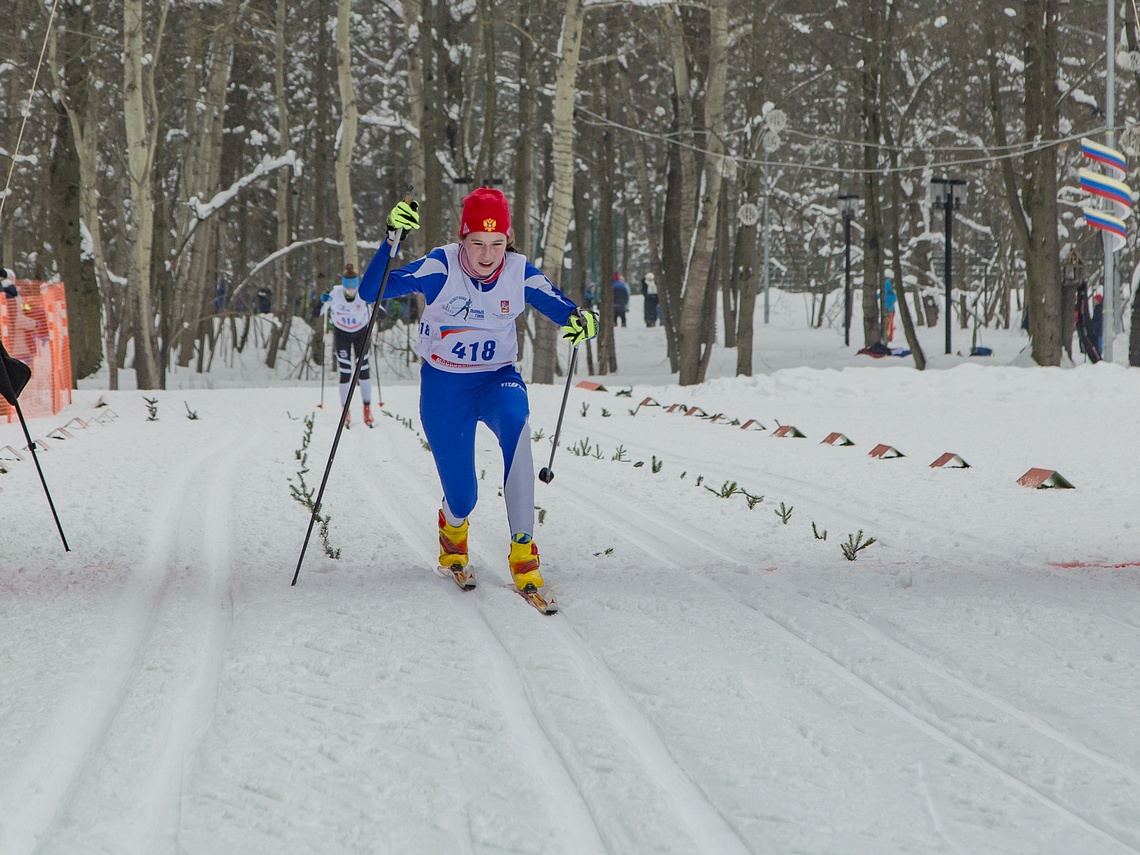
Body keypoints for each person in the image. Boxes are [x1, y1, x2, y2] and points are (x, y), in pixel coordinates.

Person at [359, 188, 598, 593]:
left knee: (515, 417)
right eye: (477, 244)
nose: (487, 255)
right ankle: (453, 533)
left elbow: (565, 308)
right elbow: (371, 292)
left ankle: (524, 550)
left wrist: (583, 320)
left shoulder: (519, 271)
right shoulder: (441, 266)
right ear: (462, 239)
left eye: (497, 244)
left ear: (509, 241)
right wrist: (390, 238)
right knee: (463, 496)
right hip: (445, 386)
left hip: (495, 378)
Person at [320, 263, 376, 427]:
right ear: (343, 284)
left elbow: (382, 313)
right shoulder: (336, 293)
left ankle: (367, 408)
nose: (351, 291)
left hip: (361, 334)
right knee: (345, 372)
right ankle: (346, 411)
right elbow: (318, 312)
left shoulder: (363, 293)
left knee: (363, 371)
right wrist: (322, 301)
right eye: (348, 287)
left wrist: (375, 301)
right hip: (342, 334)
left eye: (353, 287)